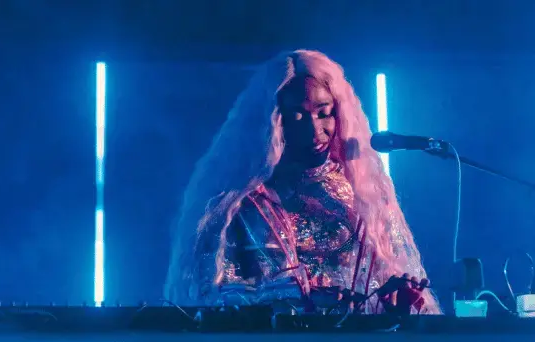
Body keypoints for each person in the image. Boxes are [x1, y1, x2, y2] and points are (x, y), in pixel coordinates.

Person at [165, 50, 440, 314]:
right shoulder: (239, 202)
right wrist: (296, 300)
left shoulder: (367, 196)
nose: (314, 131)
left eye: (323, 113)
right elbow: (209, 298)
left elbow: (390, 297)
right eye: (297, 116)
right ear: (271, 122)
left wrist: (399, 304)